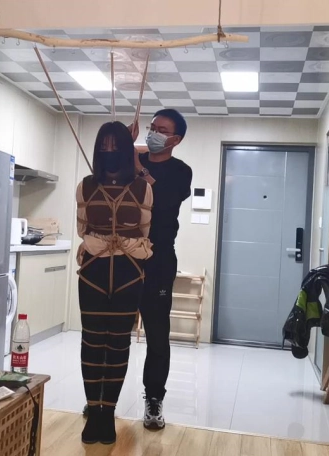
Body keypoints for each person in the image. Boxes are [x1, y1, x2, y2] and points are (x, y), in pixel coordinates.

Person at [76, 121, 154, 444]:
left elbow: (145, 230)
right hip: (93, 272)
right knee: (92, 343)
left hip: (128, 273)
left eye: (116, 147)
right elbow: (82, 228)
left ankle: (107, 413)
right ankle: (93, 410)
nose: (109, 152)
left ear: (126, 151)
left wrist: (116, 244)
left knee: (119, 343)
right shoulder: (85, 186)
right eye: (103, 147)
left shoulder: (143, 188)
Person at [131, 109, 193, 430]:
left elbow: (162, 200)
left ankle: (154, 398)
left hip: (158, 260)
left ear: (175, 139)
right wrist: (122, 145)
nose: (153, 133)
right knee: (113, 332)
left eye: (162, 129)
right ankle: (102, 398)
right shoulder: (131, 161)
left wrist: (136, 163)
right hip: (124, 257)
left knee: (157, 333)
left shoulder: (181, 171)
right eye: (151, 127)